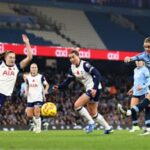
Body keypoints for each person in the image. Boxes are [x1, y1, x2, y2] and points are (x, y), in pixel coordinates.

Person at [54, 50, 113, 134]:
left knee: (77, 105)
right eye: (70, 58)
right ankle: (108, 128)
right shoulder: (72, 68)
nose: (71, 59)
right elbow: (68, 81)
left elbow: (97, 74)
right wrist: (59, 87)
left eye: (73, 57)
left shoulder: (85, 65)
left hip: (94, 88)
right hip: (90, 89)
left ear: (78, 56)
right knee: (93, 113)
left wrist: (95, 88)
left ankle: (91, 122)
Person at [118, 36, 150, 135]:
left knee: (147, 103)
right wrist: (129, 58)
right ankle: (146, 128)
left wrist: (144, 87)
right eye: (145, 47)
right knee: (148, 103)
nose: (147, 49)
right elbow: (135, 57)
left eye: (149, 47)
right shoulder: (144, 55)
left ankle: (128, 112)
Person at [0, 34, 32, 109]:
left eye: (14, 58)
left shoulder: (16, 67)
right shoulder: (1, 64)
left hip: (3, 94)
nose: (12, 59)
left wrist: (27, 42)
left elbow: (29, 57)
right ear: (5, 58)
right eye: (10, 57)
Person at [126, 61, 150, 132]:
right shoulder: (135, 70)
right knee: (132, 108)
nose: (138, 62)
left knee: (147, 109)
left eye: (140, 61)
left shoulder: (145, 70)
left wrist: (143, 86)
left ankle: (148, 127)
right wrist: (132, 89)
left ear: (143, 62)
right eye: (137, 61)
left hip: (144, 91)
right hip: (136, 92)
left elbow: (149, 81)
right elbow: (136, 82)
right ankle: (135, 126)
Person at [26, 63, 49, 133]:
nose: (33, 69)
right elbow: (27, 86)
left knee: (37, 113)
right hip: (30, 98)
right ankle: (35, 125)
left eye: (35, 67)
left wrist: (45, 90)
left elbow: (47, 85)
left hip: (38, 97)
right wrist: (26, 92)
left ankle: (38, 128)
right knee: (29, 115)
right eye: (32, 67)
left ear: (37, 69)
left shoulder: (41, 77)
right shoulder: (28, 77)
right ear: (30, 69)